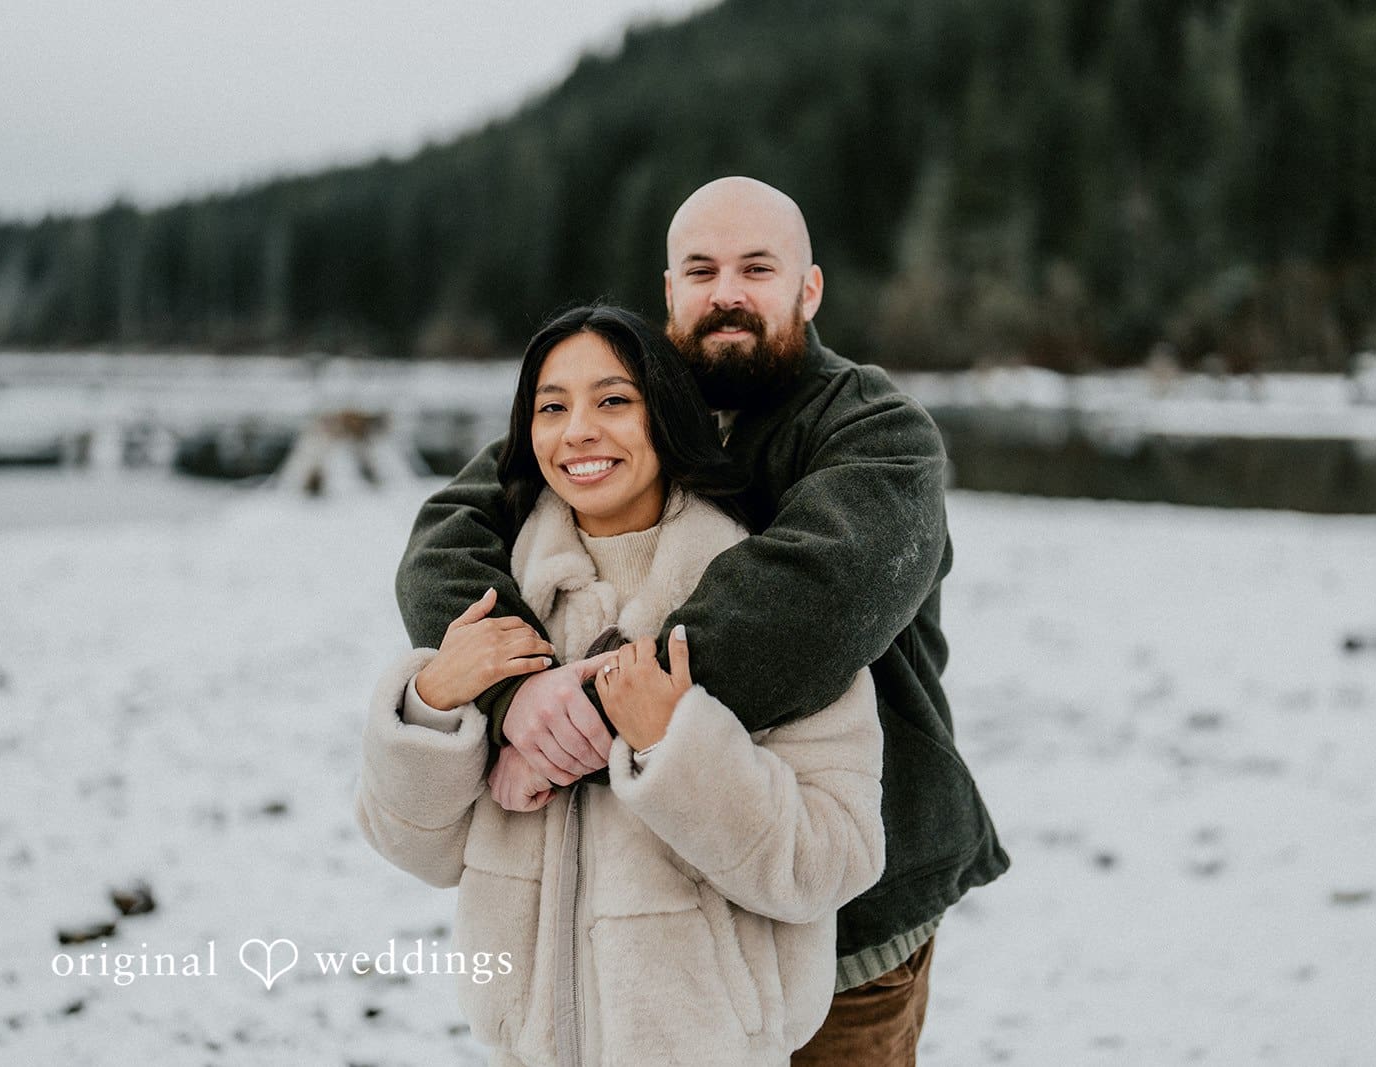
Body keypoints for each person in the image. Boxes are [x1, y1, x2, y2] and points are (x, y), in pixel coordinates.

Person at [395, 177, 1009, 1064]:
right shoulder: (630, 403)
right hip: (658, 932)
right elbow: (447, 538)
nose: (727, 292)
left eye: (757, 268)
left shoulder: (878, 433)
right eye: (702, 269)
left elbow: (802, 606)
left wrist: (577, 717)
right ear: (670, 291)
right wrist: (512, 692)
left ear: (810, 289)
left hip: (846, 918)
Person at [357, 304, 886, 1066]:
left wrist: (677, 745)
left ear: (666, 414)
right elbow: (419, 850)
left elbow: (833, 858)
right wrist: (433, 704)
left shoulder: (774, 607)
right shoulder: (500, 601)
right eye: (551, 407)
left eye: (613, 400)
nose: (577, 431)